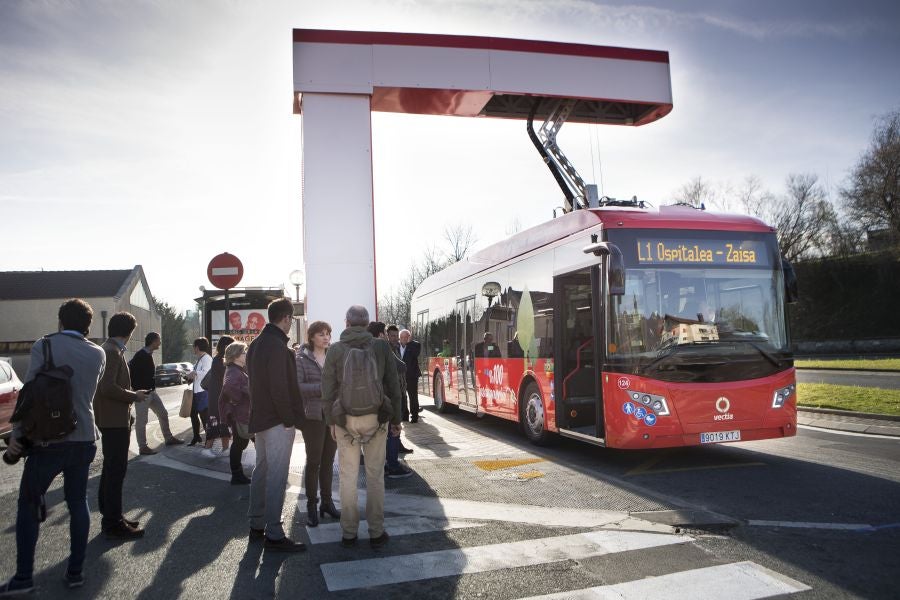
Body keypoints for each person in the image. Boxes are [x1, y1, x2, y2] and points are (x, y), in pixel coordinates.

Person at [0, 299, 106, 594]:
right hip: (84, 437)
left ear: (60, 321)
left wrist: (17, 437)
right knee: (77, 502)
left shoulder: (43, 346)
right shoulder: (98, 354)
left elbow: (29, 396)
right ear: (88, 324)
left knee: (29, 503)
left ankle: (23, 578)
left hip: (48, 439)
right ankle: (75, 572)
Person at [322, 305, 402, 549]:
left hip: (345, 419)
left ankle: (349, 533)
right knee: (375, 476)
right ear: (367, 324)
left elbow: (326, 389)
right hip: (376, 418)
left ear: (346, 323)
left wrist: (331, 422)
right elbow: (393, 384)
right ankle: (376, 532)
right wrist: (396, 420)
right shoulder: (380, 346)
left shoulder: (335, 349)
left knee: (347, 477)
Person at [246, 297, 306, 552]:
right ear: (286, 318)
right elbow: (280, 388)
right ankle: (274, 532)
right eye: (291, 319)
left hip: (260, 418)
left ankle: (256, 524)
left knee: (262, 471)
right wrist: (290, 420)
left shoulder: (256, 344)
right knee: (277, 476)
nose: (291, 323)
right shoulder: (278, 347)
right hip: (277, 420)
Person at [95, 311, 147, 540]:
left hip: (111, 418)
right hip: (114, 419)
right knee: (116, 470)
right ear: (129, 332)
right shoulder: (113, 352)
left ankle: (112, 515)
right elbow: (107, 387)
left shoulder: (109, 349)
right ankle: (112, 522)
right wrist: (133, 395)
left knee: (110, 469)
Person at [296, 321, 341, 527]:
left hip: (331, 416)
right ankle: (311, 507)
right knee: (313, 462)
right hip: (312, 416)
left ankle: (327, 503)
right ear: (312, 336)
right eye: (321, 334)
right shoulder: (302, 358)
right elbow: (299, 387)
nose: (326, 337)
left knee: (328, 462)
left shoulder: (334, 356)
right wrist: (323, 387)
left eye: (328, 334)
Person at [127, 332, 184, 454]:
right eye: (159, 340)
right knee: (142, 421)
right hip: (142, 393)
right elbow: (130, 370)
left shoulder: (148, 354)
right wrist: (136, 390)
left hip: (152, 392)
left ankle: (168, 438)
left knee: (163, 413)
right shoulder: (140, 355)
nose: (160, 343)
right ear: (153, 341)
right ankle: (143, 447)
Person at [372, 323, 413, 479]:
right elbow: (401, 366)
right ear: (382, 335)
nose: (394, 338)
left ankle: (385, 464)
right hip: (387, 396)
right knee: (392, 431)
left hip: (378, 397)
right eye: (388, 334)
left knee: (385, 433)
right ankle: (392, 465)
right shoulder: (384, 348)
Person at [220, 342, 252, 484]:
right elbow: (229, 387)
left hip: (241, 413)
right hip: (240, 414)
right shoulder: (234, 371)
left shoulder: (237, 369)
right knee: (240, 443)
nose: (246, 354)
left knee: (240, 443)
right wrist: (238, 398)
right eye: (244, 352)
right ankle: (237, 475)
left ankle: (237, 474)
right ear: (236, 356)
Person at [202, 335, 234, 458]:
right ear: (226, 347)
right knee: (215, 422)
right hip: (217, 398)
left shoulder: (220, 359)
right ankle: (207, 449)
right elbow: (227, 376)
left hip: (220, 396)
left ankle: (225, 449)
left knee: (224, 422)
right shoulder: (220, 360)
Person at [185, 338, 212, 446]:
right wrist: (190, 377)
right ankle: (196, 436)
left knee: (204, 417)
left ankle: (209, 440)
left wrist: (194, 373)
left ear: (197, 347)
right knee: (193, 414)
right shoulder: (200, 358)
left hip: (203, 392)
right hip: (197, 392)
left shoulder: (206, 359)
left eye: (194, 346)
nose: (193, 349)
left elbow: (206, 373)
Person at [397, 328, 423, 423]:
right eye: (401, 337)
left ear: (409, 337)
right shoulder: (396, 346)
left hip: (412, 376)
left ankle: (414, 416)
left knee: (413, 397)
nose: (403, 339)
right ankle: (404, 415)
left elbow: (415, 354)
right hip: (400, 376)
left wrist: (408, 343)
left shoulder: (415, 345)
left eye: (405, 337)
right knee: (402, 396)